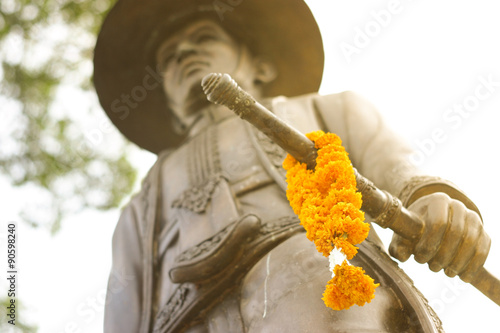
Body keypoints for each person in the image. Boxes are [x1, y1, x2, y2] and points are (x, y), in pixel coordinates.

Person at [93, 0, 490, 332]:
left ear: (260, 66)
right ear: (167, 101)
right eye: (168, 58)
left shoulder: (326, 108)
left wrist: (429, 199)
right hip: (182, 316)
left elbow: (396, 168)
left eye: (204, 38)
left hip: (312, 271)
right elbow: (125, 305)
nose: (183, 54)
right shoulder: (144, 198)